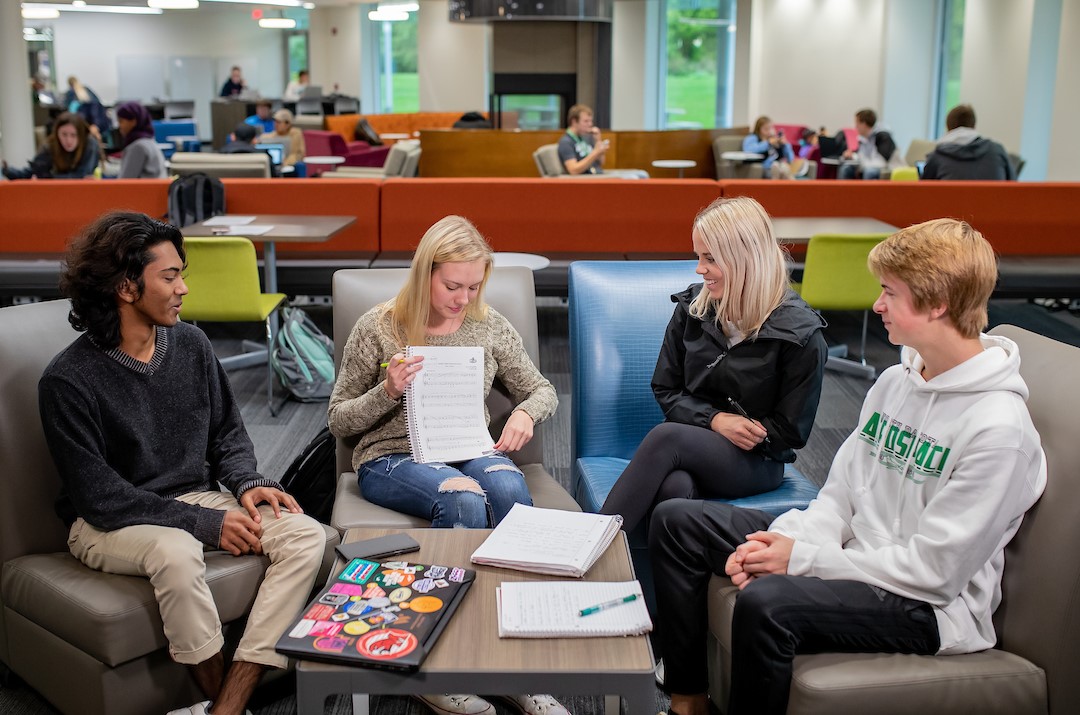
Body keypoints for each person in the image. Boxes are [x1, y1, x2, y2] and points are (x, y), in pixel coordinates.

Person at [649, 217, 1047, 715]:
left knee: (766, 605)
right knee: (677, 522)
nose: (877, 304)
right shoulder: (895, 383)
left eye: (889, 293)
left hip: (926, 604)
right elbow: (839, 495)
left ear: (938, 304)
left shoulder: (999, 431)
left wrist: (801, 560)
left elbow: (934, 573)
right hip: (854, 551)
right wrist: (787, 542)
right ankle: (688, 702)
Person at [38, 212, 329, 715]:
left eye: (181, 274)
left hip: (190, 500)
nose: (184, 288)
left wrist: (246, 482)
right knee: (174, 550)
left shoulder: (191, 344)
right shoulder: (68, 380)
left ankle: (229, 700)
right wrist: (204, 523)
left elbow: (228, 435)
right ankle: (231, 703)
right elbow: (100, 498)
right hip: (108, 522)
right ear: (127, 287)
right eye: (170, 277)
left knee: (307, 534)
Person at [327, 215, 569, 715]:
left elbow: (542, 389)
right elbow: (339, 420)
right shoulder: (380, 326)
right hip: (391, 457)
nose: (463, 298)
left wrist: (525, 411)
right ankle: (436, 659)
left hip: (467, 445)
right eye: (452, 285)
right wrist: (387, 390)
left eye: (474, 285)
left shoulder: (487, 324)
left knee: (507, 490)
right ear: (425, 275)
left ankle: (511, 661)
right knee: (462, 495)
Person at [599, 197, 827, 533]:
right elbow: (665, 387)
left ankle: (589, 549)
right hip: (690, 446)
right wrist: (715, 420)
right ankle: (662, 584)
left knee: (666, 438)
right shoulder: (692, 308)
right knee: (675, 489)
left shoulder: (799, 333)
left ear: (744, 260)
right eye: (698, 256)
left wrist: (741, 430)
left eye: (709, 259)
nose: (699, 268)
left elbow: (791, 432)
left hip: (756, 461)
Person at [922, 104, 1016, 181]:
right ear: (973, 126)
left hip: (952, 204)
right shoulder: (997, 151)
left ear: (948, 128)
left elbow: (923, 193)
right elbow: (1013, 186)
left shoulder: (938, 156)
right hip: (993, 203)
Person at [2, 112, 99, 180]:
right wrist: (6, 170)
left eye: (74, 135)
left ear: (81, 135)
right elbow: (32, 172)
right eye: (64, 134)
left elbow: (82, 175)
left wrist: (49, 178)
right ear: (57, 134)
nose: (69, 140)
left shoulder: (90, 144)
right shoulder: (50, 146)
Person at [839, 108, 905, 179]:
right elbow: (862, 156)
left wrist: (861, 164)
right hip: (870, 166)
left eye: (857, 123)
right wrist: (852, 156)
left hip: (889, 167)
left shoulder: (883, 137)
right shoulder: (863, 138)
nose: (856, 127)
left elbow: (881, 163)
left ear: (864, 124)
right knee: (846, 168)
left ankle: (866, 190)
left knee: (869, 172)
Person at [115, 101, 167, 179]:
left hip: (145, 191)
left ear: (133, 121)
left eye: (121, 121)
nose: (119, 126)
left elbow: (125, 181)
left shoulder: (138, 147)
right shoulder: (149, 141)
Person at [557, 103, 608, 175]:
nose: (590, 124)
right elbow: (573, 170)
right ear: (574, 121)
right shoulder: (566, 142)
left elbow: (601, 162)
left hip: (596, 174)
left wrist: (598, 141)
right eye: (586, 121)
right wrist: (595, 152)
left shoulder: (587, 137)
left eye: (591, 121)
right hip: (584, 179)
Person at [61, 75, 111, 141]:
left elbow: (68, 111)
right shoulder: (87, 90)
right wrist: (96, 125)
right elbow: (97, 106)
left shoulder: (70, 94)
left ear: (69, 84)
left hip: (83, 125)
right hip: (98, 124)